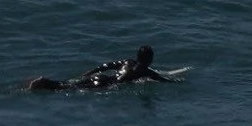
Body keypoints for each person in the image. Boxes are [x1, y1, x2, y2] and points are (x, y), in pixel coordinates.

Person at [28, 46, 176, 92]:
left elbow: (106, 66)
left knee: (71, 84)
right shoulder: (145, 71)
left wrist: (91, 72)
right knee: (71, 88)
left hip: (101, 78)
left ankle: (46, 83)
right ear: (149, 59)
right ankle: (45, 84)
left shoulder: (128, 61)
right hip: (106, 84)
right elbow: (162, 80)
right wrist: (178, 83)